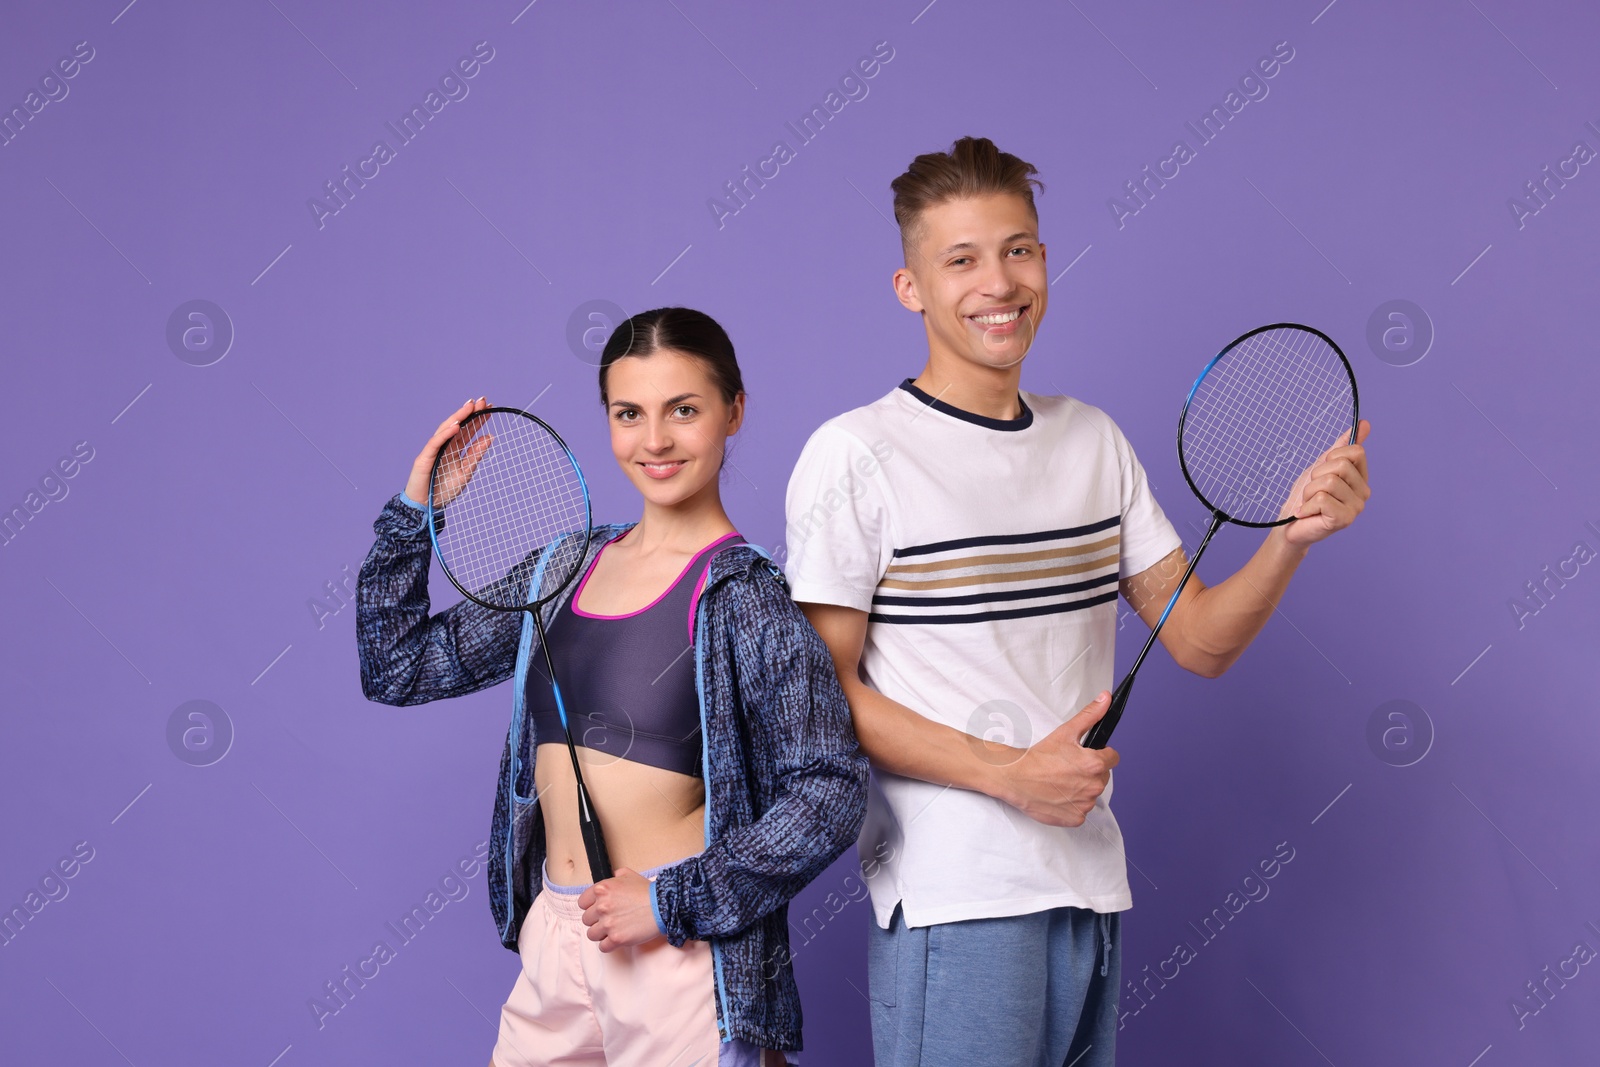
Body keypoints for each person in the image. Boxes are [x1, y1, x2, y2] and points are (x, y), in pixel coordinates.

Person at [783, 137, 1372, 1067]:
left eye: (1018, 249)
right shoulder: (854, 455)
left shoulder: (1093, 440)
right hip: (958, 897)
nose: (998, 282)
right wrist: (1012, 773)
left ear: (1046, 262)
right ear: (912, 289)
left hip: (1090, 885)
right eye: (962, 259)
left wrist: (1288, 539)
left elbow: (1203, 641)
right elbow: (825, 700)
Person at [356, 307, 869, 1066]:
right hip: (557, 939)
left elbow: (830, 789)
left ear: (734, 411)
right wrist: (415, 514)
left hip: (681, 954)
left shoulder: (744, 596)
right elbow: (396, 665)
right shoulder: (560, 571)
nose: (654, 440)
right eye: (629, 414)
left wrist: (672, 901)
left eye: (683, 410)